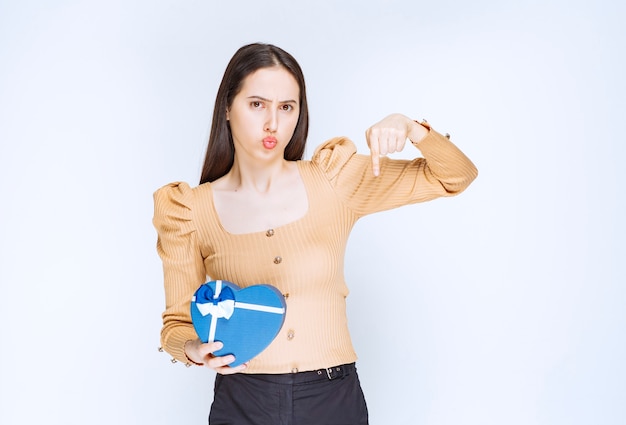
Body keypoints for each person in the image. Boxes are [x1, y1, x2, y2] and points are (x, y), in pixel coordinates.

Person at [153, 43, 477, 425]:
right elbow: (175, 325)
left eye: (286, 107)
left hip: (333, 398)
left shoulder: (334, 178)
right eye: (257, 104)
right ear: (227, 107)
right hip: (243, 401)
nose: (273, 122)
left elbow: (456, 176)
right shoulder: (189, 210)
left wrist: (411, 128)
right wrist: (193, 348)